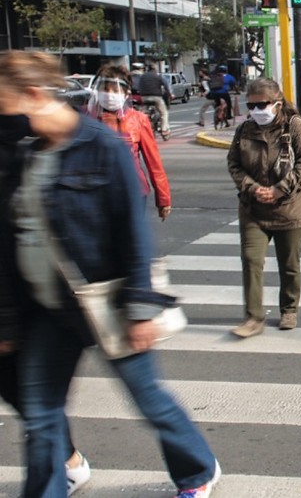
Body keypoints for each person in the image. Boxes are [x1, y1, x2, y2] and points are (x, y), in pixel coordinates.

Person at [0, 50, 220, 498]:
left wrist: (140, 309)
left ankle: (198, 470)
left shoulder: (101, 147)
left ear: (33, 95)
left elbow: (133, 234)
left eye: (4, 103)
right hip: (49, 308)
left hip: (106, 301)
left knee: (149, 400)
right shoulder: (26, 153)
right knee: (41, 418)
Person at [0, 102, 91, 496]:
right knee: (34, 403)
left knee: (36, 404)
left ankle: (64, 466)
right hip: (26, 298)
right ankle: (66, 463)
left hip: (35, 300)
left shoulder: (30, 135)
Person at [226, 78, 301, 338]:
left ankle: (289, 309)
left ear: (277, 102)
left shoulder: (295, 126)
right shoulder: (244, 130)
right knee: (251, 261)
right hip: (253, 210)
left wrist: (279, 189)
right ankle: (253, 317)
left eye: (262, 104)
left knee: (289, 264)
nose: (257, 110)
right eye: (251, 105)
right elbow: (234, 163)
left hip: (289, 210)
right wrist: (252, 188)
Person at [89, 65, 172, 221]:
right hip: (95, 195)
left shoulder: (138, 120)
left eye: (115, 91)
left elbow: (154, 163)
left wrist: (163, 199)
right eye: (105, 90)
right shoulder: (85, 118)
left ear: (126, 93)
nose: (110, 95)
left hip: (132, 192)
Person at [136, 64, 173, 140]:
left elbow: (138, 86)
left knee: (142, 113)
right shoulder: (158, 76)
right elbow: (166, 85)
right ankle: (164, 130)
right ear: (155, 69)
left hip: (144, 97)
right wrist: (170, 94)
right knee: (164, 113)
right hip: (156, 97)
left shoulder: (142, 76)